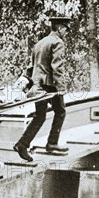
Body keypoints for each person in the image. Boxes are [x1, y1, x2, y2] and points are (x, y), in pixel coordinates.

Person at [13, 16, 71, 162]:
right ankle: (52, 144)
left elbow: (30, 68)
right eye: (65, 29)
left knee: (40, 116)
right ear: (59, 28)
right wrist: (61, 88)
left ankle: (22, 144)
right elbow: (57, 67)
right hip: (50, 86)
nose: (66, 32)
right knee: (61, 111)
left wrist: (26, 83)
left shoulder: (39, 43)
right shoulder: (58, 42)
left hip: (37, 86)